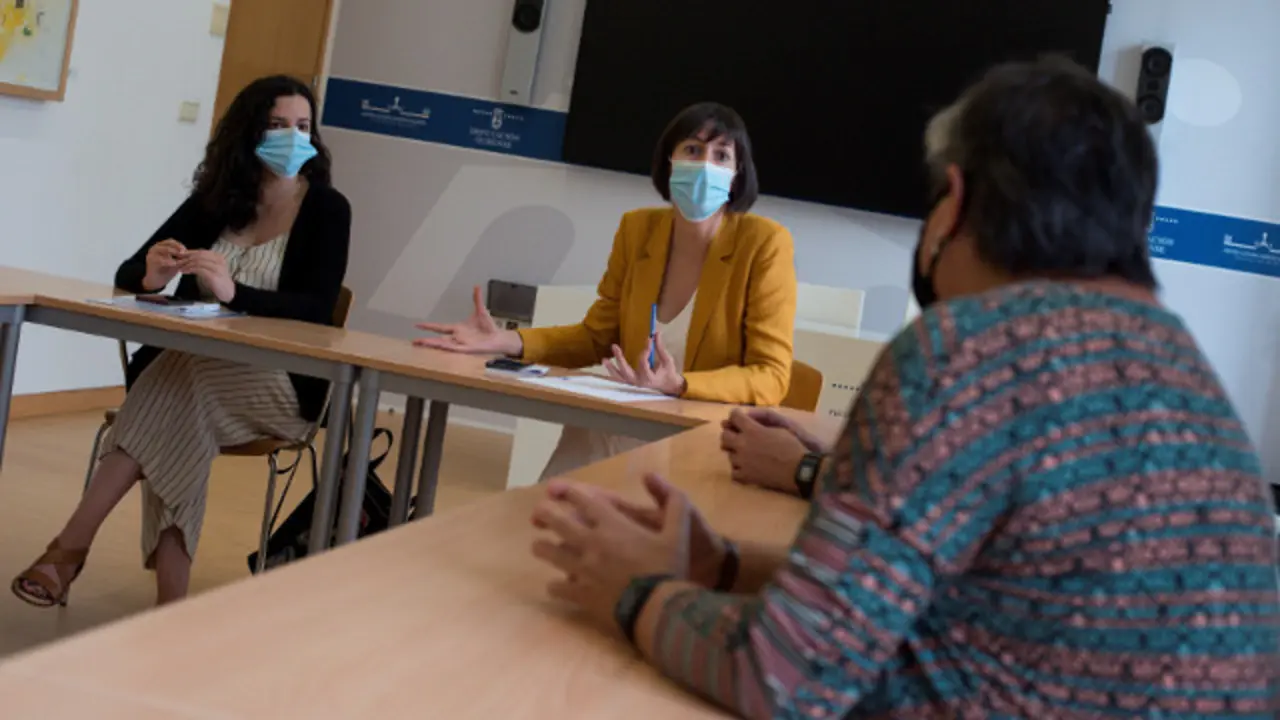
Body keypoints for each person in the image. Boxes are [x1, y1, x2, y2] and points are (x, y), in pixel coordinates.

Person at [528, 59, 1280, 718]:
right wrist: (724, 565)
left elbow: (783, 680)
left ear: (952, 202)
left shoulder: (961, 351)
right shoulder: (1189, 375)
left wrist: (636, 591)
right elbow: (953, 596)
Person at [12, 75, 352, 608]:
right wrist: (151, 275)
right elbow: (131, 270)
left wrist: (234, 292)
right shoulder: (218, 201)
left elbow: (317, 309)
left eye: (303, 126)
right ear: (249, 134)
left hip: (282, 385)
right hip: (194, 383)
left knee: (174, 383)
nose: (294, 137)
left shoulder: (329, 210)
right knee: (181, 404)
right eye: (279, 125)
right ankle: (171, 611)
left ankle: (69, 547)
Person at [417, 103, 797, 479]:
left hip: (700, 439)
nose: (704, 166)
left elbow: (771, 377)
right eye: (693, 150)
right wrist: (506, 341)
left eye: (721, 155)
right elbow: (595, 337)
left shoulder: (764, 244)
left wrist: (679, 385)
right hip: (621, 422)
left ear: (737, 172)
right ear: (669, 160)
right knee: (545, 513)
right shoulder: (637, 229)